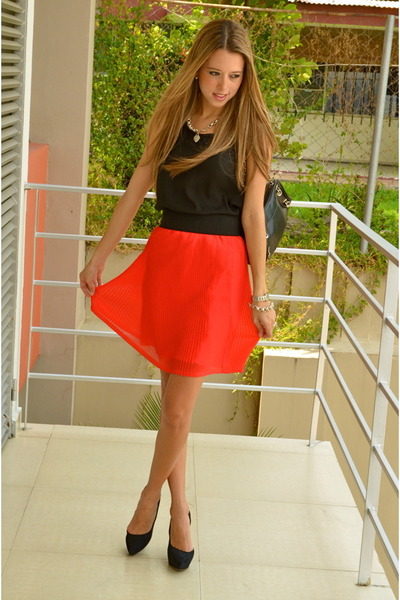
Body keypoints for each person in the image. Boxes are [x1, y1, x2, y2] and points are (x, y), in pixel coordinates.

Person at [79, 18, 277, 570]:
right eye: (214, 73)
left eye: (234, 76)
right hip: (168, 263)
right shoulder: (170, 119)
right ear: (195, 69)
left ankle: (149, 500)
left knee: (177, 411)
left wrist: (260, 295)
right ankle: (181, 511)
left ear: (246, 77)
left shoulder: (253, 130)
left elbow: (254, 218)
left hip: (217, 273)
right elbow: (136, 189)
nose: (223, 86)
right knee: (174, 408)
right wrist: (99, 257)